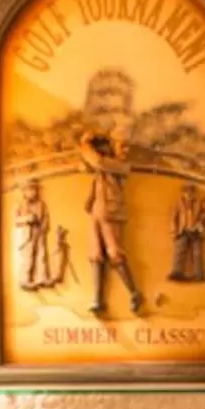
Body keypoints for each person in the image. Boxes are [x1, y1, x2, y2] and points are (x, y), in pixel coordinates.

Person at [78, 131, 144, 318]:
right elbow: (84, 166)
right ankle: (98, 300)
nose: (126, 150)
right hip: (96, 211)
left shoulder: (121, 165)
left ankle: (134, 293)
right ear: (112, 147)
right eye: (122, 145)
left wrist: (85, 144)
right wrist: (93, 148)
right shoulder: (106, 163)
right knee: (95, 255)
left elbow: (97, 162)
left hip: (111, 212)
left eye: (127, 146)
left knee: (115, 253)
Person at [15, 178, 54, 290]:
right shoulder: (20, 204)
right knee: (28, 257)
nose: (33, 192)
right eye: (30, 189)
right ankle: (25, 280)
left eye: (35, 189)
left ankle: (41, 277)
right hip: (27, 234)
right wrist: (27, 218)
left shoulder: (41, 204)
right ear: (24, 192)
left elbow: (46, 216)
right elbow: (15, 220)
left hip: (39, 232)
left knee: (41, 255)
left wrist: (44, 226)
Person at [169, 182, 205, 282]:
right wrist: (173, 231)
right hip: (183, 230)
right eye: (187, 193)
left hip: (196, 231)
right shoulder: (178, 204)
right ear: (183, 193)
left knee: (197, 253)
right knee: (179, 251)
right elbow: (173, 218)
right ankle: (177, 271)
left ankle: (199, 274)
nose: (189, 195)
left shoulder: (199, 204)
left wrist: (201, 223)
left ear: (195, 194)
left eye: (191, 193)